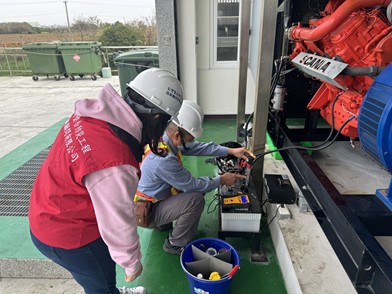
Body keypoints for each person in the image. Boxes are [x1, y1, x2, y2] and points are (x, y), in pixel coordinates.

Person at [28, 68, 184, 294]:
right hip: (69, 233)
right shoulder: (114, 161)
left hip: (48, 212)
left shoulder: (92, 117)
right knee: (100, 284)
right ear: (158, 118)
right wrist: (131, 262)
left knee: (99, 275)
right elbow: (116, 218)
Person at [136, 100, 254, 255]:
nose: (192, 142)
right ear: (178, 135)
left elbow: (198, 147)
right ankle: (175, 244)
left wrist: (231, 151)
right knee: (195, 199)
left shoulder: (164, 138)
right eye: (190, 138)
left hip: (153, 198)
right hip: (146, 211)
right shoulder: (163, 160)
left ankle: (163, 221)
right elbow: (193, 185)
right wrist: (222, 180)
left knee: (194, 189)